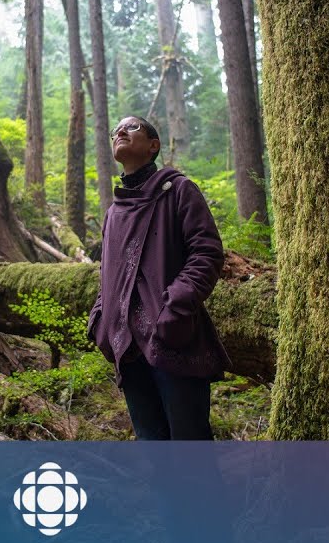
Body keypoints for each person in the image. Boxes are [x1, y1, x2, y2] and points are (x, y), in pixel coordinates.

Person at [87, 115, 232, 440]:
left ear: (153, 146)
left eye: (132, 127)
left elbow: (207, 253)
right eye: (116, 130)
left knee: (189, 448)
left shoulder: (179, 190)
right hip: (127, 349)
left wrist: (175, 306)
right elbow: (110, 277)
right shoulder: (114, 213)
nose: (121, 132)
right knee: (152, 447)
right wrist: (101, 319)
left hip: (173, 340)